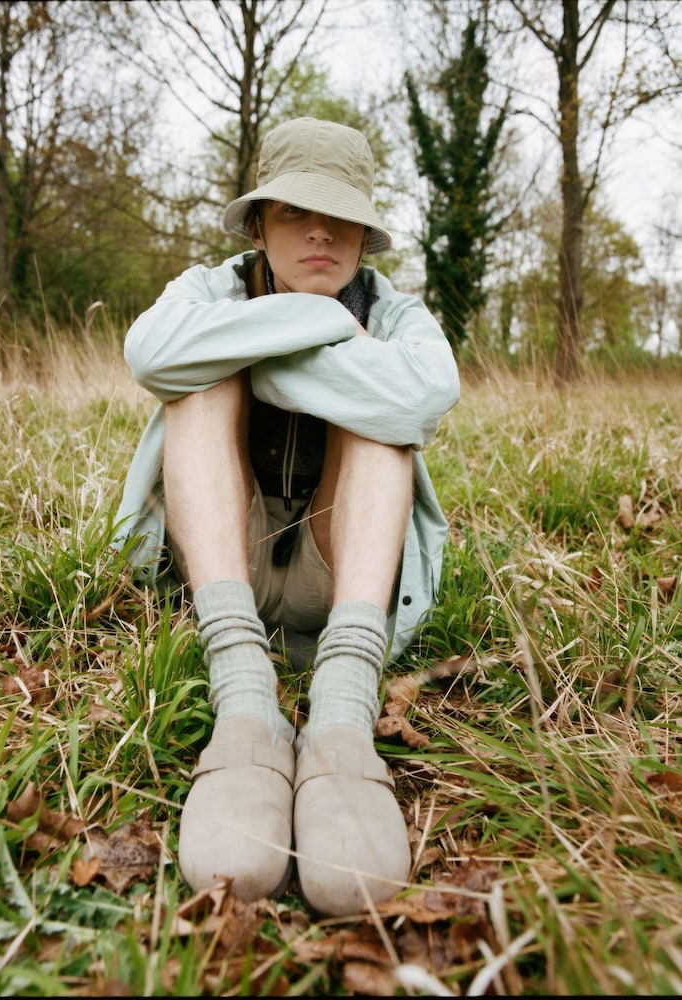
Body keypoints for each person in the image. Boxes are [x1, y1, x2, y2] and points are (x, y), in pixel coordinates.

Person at [113, 117, 460, 917]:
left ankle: (341, 719)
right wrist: (328, 327)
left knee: (385, 425)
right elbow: (152, 354)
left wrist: (259, 356)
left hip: (336, 580)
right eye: (297, 211)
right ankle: (245, 705)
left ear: (365, 237)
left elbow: (425, 396)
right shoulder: (208, 288)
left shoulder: (396, 311)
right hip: (217, 571)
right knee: (196, 387)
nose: (319, 231)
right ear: (260, 223)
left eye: (341, 216)